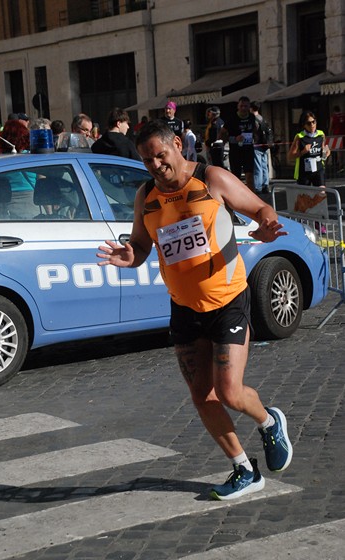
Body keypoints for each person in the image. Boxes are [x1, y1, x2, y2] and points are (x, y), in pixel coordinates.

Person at [97, 119, 293, 500]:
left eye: (160, 155)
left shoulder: (211, 178)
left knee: (230, 391)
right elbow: (140, 246)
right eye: (147, 160)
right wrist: (130, 255)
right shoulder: (146, 197)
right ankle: (243, 468)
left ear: (177, 145)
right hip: (184, 308)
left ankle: (269, 421)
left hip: (228, 300)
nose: (155, 165)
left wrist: (267, 225)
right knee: (202, 396)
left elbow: (260, 208)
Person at [221, 96, 256, 191]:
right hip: (235, 151)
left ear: (249, 107)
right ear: (238, 106)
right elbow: (222, 133)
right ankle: (236, 198)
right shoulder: (232, 118)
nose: (243, 108)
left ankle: (253, 199)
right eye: (241, 106)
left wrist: (255, 137)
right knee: (236, 177)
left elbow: (255, 130)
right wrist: (233, 139)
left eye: (246, 106)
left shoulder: (252, 117)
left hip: (248, 150)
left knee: (250, 176)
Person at [288, 110, 330, 187]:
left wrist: (326, 152)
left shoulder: (321, 134)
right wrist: (303, 152)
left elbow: (323, 149)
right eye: (308, 123)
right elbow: (290, 156)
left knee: (321, 194)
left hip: (318, 170)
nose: (312, 125)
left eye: (314, 122)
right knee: (305, 197)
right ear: (304, 125)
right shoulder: (300, 137)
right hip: (304, 172)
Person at [250, 101, 270, 194]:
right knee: (264, 166)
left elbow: (253, 132)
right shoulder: (262, 118)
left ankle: (258, 187)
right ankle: (266, 185)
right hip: (265, 145)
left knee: (257, 167)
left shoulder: (253, 119)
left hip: (257, 145)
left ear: (251, 108)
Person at [329, 105, 345, 172]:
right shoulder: (343, 115)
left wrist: (329, 134)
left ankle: (341, 166)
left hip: (337, 136)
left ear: (334, 110)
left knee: (339, 151)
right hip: (344, 135)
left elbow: (331, 126)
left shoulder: (333, 117)